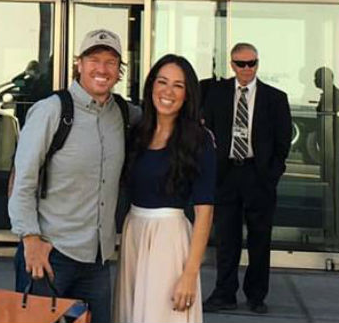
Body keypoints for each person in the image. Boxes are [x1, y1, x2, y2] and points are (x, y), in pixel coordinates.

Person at [8, 29, 139, 323]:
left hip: (97, 260)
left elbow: (162, 121)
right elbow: (23, 180)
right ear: (79, 64)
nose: (102, 69)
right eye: (94, 59)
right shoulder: (52, 111)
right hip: (50, 254)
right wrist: (29, 238)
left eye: (110, 62)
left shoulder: (123, 114)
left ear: (119, 72)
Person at [114, 54, 216, 323]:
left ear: (187, 95)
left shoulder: (199, 140)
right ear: (151, 87)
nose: (168, 91)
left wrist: (190, 274)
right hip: (134, 233)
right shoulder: (137, 132)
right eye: (162, 82)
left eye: (178, 85)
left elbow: (205, 214)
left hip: (169, 241)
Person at [202, 43, 292, 314]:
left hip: (258, 174)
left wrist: (272, 174)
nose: (247, 69)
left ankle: (256, 295)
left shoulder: (275, 98)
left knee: (259, 238)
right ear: (232, 65)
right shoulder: (216, 93)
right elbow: (206, 131)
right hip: (226, 173)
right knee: (226, 238)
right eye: (241, 64)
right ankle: (224, 293)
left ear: (258, 63)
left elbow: (283, 141)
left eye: (252, 63)